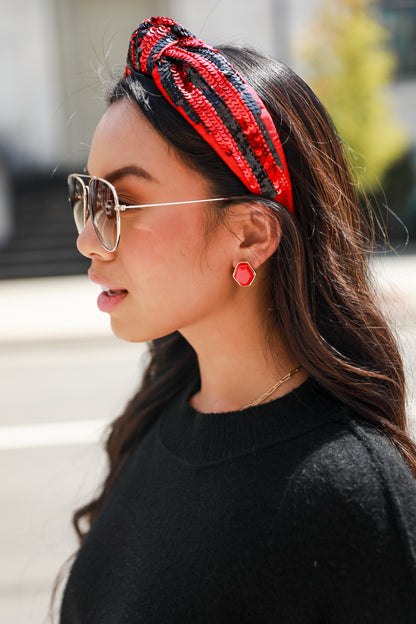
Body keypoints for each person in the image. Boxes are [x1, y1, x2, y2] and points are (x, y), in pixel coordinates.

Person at [59, 16, 416, 623]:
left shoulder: (353, 494)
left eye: (122, 202)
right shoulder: (154, 420)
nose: (91, 239)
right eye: (89, 197)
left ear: (251, 233)